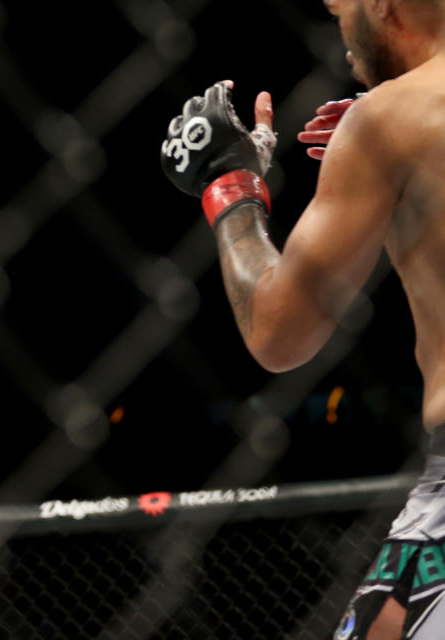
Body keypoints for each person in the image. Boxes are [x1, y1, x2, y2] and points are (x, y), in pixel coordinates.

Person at [160, 0, 445, 637]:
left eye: (339, 8)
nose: (340, 35)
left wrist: (229, 186)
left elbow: (278, 331)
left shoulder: (389, 118)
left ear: (384, 5)